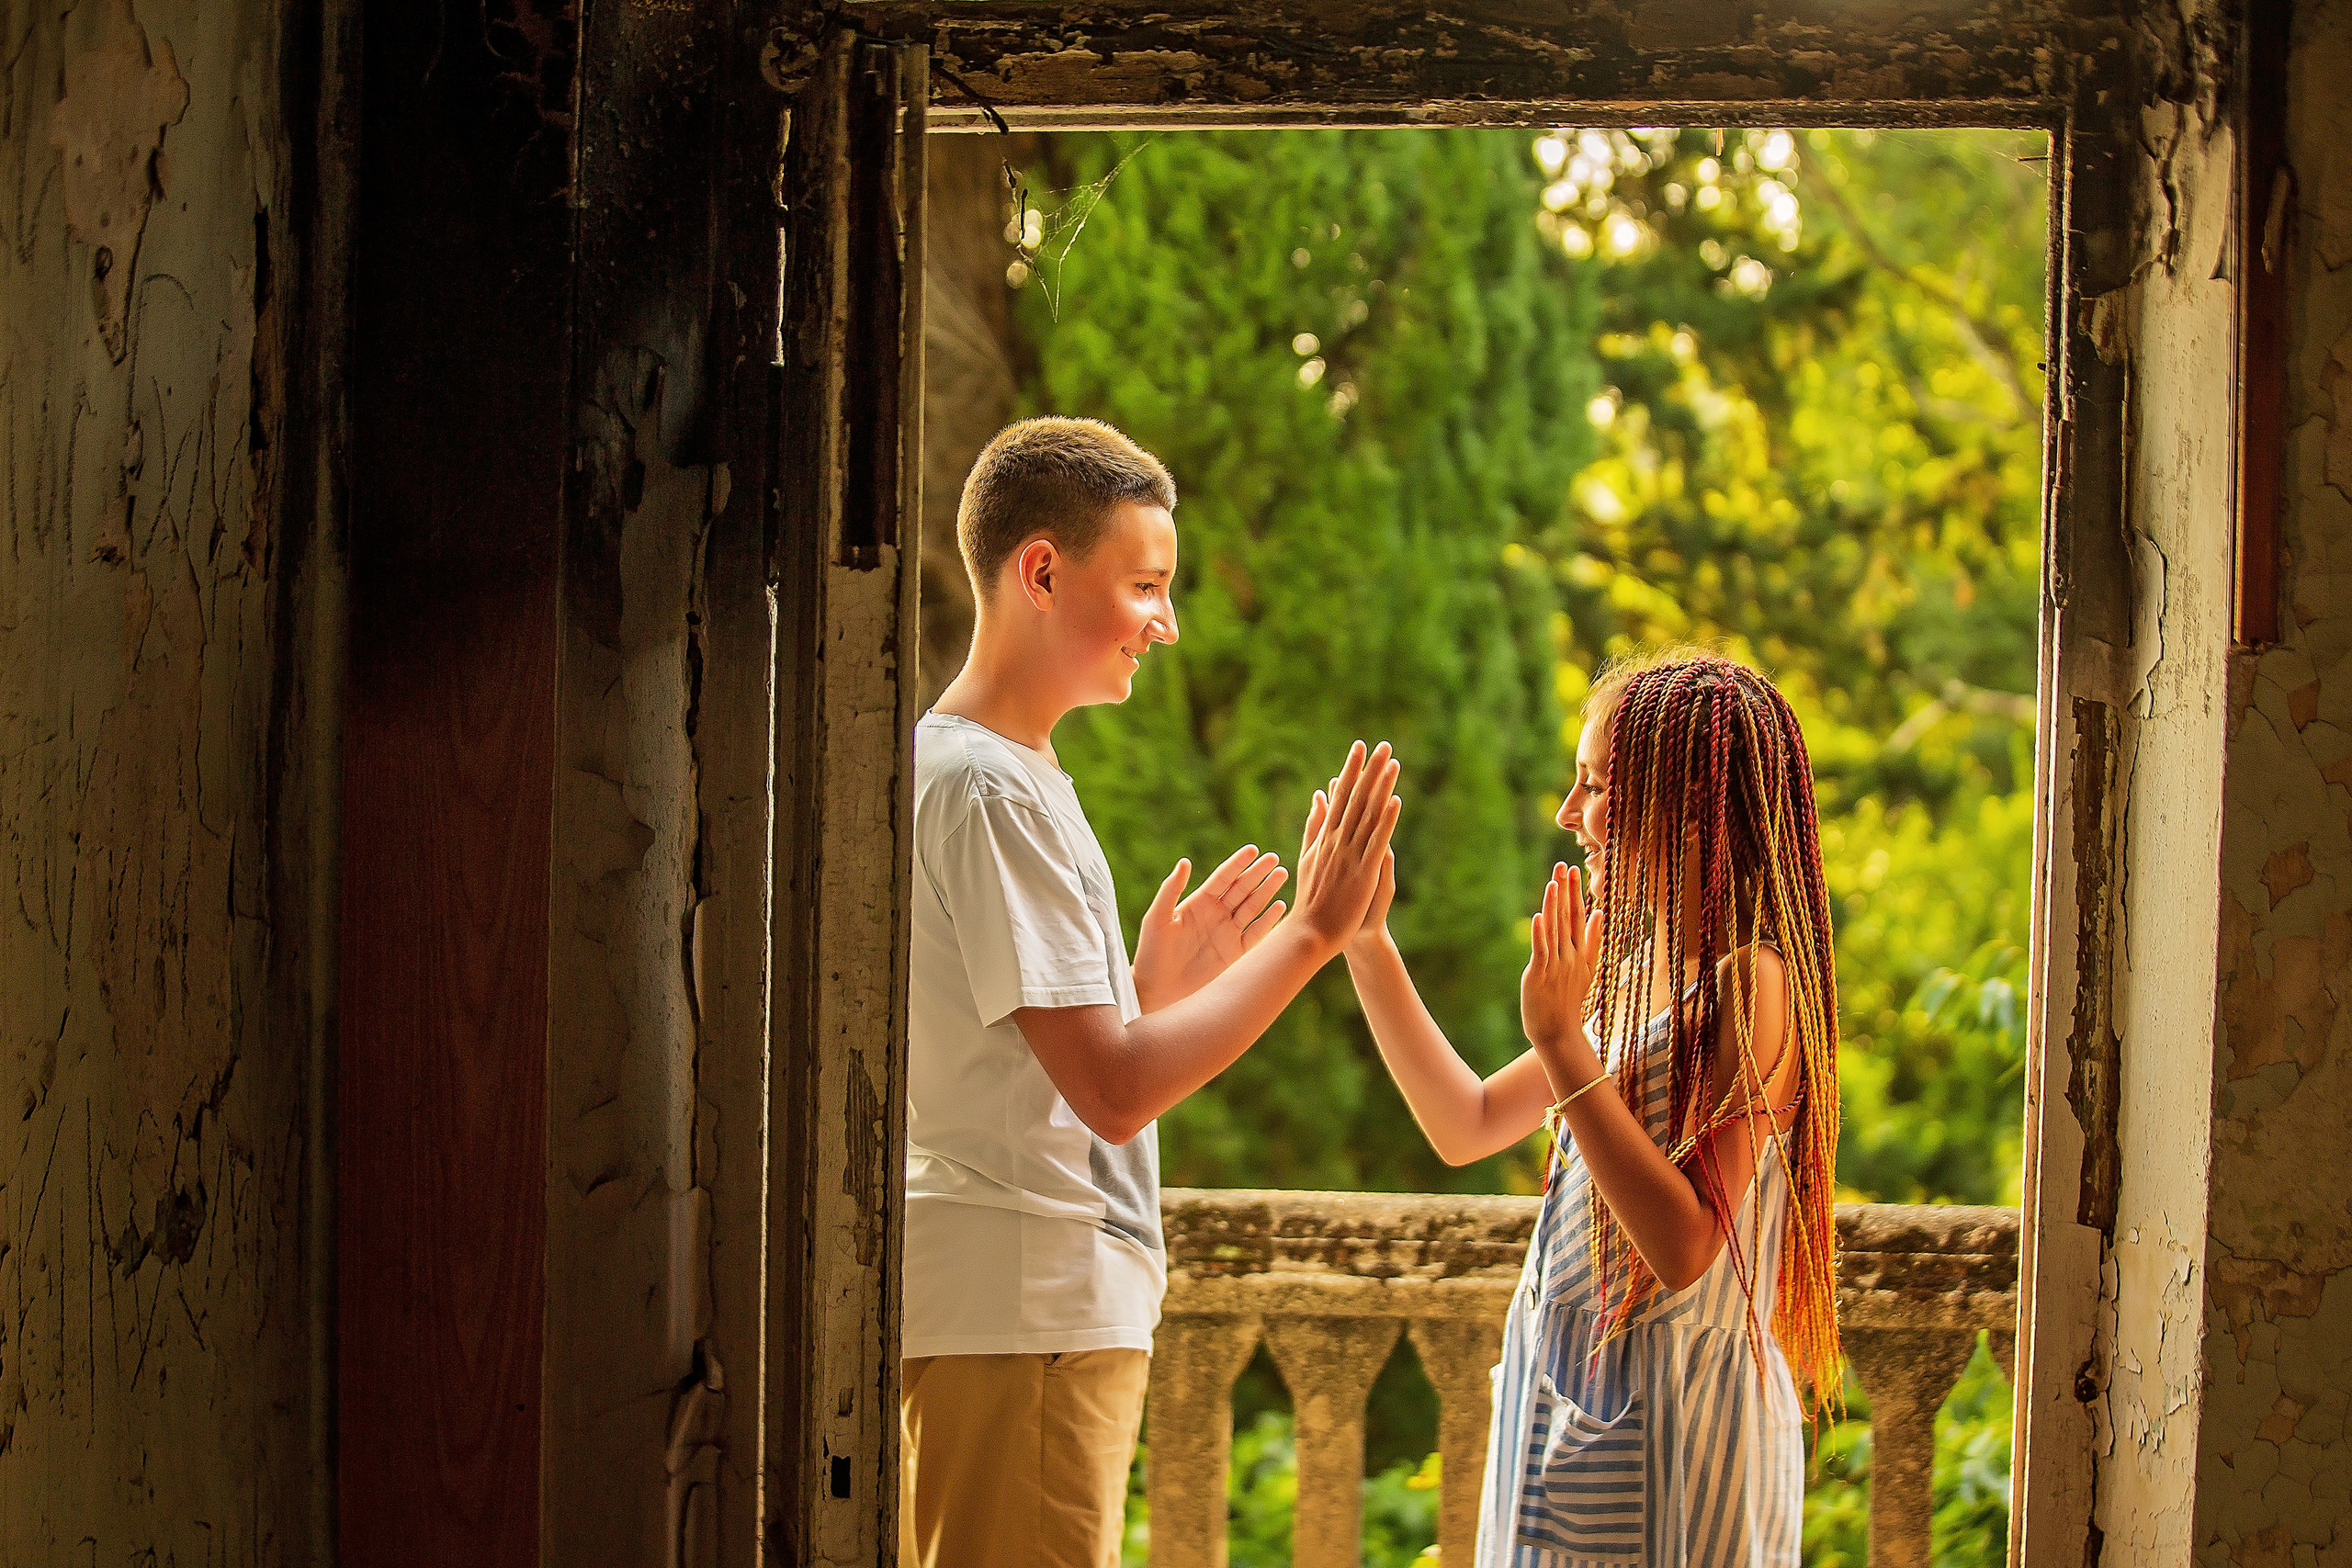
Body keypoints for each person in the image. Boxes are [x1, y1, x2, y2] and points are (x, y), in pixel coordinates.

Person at [903, 416, 1401, 1568]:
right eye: (1144, 585)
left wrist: (1143, 993)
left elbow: (1056, 1073)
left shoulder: (1002, 773)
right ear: (1041, 571)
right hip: (1021, 1319)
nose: (1167, 624)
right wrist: (1316, 934)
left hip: (1020, 1317)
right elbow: (1115, 1095)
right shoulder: (987, 789)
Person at [1332, 649, 1842, 1566]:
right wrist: (1364, 942)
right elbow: (1467, 1125)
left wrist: (1563, 1044)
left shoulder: (1752, 986)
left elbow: (1687, 1246)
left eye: (1595, 786)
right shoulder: (1633, 978)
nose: (1571, 816)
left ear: (1682, 806)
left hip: (1683, 1433)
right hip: (1570, 1410)